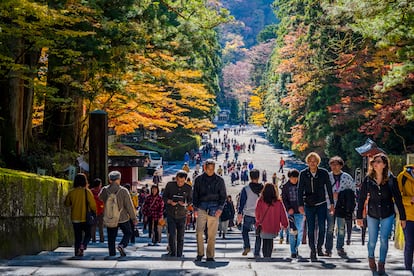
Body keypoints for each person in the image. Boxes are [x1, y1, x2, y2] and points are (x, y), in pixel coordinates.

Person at [356, 153, 406, 275]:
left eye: (378, 162)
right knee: (372, 240)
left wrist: (403, 218)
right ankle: (371, 258)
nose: (375, 164)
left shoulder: (391, 180)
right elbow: (361, 198)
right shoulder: (368, 179)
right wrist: (358, 216)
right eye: (374, 162)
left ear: (384, 164)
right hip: (372, 213)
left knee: (384, 239)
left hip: (387, 214)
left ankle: (382, 264)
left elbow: (398, 199)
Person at [298, 152, 334, 261]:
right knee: (311, 228)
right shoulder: (303, 174)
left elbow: (329, 188)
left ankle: (319, 248)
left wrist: (331, 203)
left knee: (322, 228)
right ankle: (312, 250)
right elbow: (300, 190)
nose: (312, 163)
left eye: (314, 161)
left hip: (321, 204)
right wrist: (300, 205)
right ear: (308, 162)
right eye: (310, 161)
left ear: (317, 162)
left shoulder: (323, 173)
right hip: (308, 204)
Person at [192, 159, 227, 262]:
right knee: (199, 232)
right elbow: (195, 195)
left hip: (214, 208)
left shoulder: (219, 180)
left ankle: (210, 255)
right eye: (209, 169)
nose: (211, 171)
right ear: (204, 168)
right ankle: (200, 253)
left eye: (212, 169)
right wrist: (195, 208)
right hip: (201, 207)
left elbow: (223, 195)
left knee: (212, 234)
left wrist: (220, 208)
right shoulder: (198, 179)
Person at [99, 171, 138, 257]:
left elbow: (100, 198)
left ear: (109, 180)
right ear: (119, 180)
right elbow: (129, 205)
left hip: (110, 217)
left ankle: (112, 253)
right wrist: (134, 218)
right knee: (128, 232)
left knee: (111, 237)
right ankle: (122, 245)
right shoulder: (123, 191)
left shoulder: (104, 190)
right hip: (122, 217)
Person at [325, 156, 356, 257]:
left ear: (341, 165)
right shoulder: (327, 177)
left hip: (342, 206)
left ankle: (340, 247)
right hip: (330, 205)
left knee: (341, 228)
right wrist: (330, 195)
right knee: (330, 227)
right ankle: (328, 249)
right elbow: (322, 191)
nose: (334, 167)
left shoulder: (347, 177)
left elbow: (353, 192)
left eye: (337, 164)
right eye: (332, 164)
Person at [64, 173, 96, 257]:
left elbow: (67, 203)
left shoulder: (71, 192)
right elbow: (93, 205)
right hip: (85, 218)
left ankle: (77, 252)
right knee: (88, 234)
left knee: (77, 237)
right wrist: (94, 212)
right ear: (85, 181)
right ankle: (83, 245)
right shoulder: (87, 192)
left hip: (75, 218)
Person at [163, 170, 192, 258]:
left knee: (181, 236)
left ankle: (179, 254)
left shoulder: (188, 188)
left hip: (182, 214)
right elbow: (163, 197)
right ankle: (172, 252)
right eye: (178, 181)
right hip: (171, 213)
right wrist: (170, 201)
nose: (180, 183)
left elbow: (190, 200)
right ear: (176, 178)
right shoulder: (169, 185)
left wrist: (186, 204)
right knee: (171, 234)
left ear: (185, 180)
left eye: (182, 181)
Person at [255, 183, 288, 260]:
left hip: (263, 225)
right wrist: (285, 224)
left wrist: (258, 221)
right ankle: (268, 256)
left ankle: (265, 256)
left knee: (265, 241)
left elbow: (257, 213)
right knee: (270, 241)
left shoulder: (261, 201)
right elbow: (282, 213)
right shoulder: (278, 202)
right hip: (273, 226)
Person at [237, 169, 264, 258]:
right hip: (260, 215)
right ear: (258, 176)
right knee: (259, 234)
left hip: (248, 213)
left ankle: (247, 246)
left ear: (250, 177)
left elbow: (242, 202)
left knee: (244, 231)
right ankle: (256, 252)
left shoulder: (246, 189)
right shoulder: (263, 188)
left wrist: (239, 213)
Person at [281, 169, 304, 259]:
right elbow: (284, 199)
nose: (294, 180)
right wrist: (288, 208)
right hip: (291, 213)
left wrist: (303, 207)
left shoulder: (302, 185)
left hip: (300, 212)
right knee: (292, 232)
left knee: (300, 232)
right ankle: (293, 251)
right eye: (292, 178)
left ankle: (297, 246)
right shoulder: (285, 187)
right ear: (289, 178)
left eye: (295, 178)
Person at [397, 164, 414, 271]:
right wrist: (410, 200)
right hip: (408, 216)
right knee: (410, 243)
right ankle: (408, 268)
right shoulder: (402, 176)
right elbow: (396, 198)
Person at [90, 178, 104, 243]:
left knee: (93, 226)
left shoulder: (90, 191)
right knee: (101, 226)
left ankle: (93, 239)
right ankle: (101, 239)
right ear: (99, 184)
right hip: (101, 210)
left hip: (93, 211)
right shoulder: (102, 191)